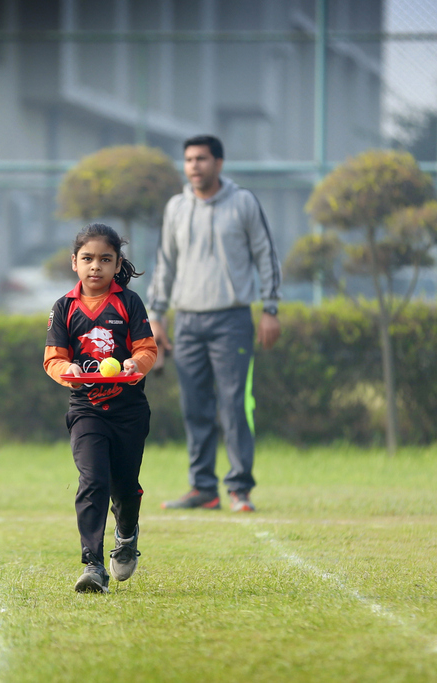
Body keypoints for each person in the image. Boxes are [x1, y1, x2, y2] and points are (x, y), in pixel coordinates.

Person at [148, 134, 282, 513]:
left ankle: (239, 488)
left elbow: (266, 256)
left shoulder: (242, 203)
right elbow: (165, 263)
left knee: (234, 405)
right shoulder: (175, 207)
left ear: (218, 163)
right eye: (189, 159)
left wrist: (270, 309)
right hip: (187, 320)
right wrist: (157, 316)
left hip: (232, 319)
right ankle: (203, 488)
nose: (194, 165)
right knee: (195, 406)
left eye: (202, 159)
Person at [44, 223, 158, 593]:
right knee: (92, 481)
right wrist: (69, 369)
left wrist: (134, 365)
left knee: (124, 487)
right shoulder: (64, 307)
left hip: (128, 411)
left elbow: (147, 349)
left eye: (105, 259)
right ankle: (93, 565)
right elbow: (53, 358)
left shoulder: (129, 302)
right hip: (86, 411)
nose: (96, 266)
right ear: (74, 263)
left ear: (116, 264)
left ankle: (126, 536)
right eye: (88, 259)